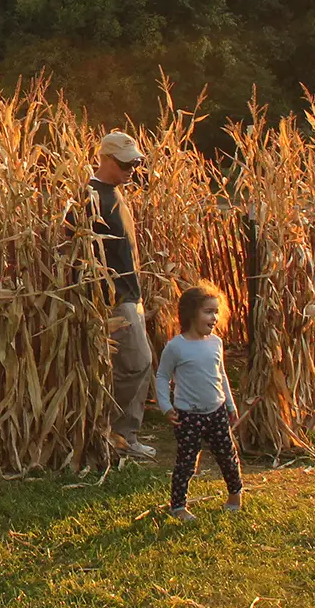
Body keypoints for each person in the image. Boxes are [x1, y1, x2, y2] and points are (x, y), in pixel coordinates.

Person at [86, 131, 155, 460]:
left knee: (135, 365)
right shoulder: (91, 196)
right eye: (126, 164)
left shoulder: (114, 193)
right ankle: (119, 435)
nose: (132, 170)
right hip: (113, 298)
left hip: (131, 294)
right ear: (106, 159)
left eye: (136, 164)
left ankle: (120, 435)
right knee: (138, 363)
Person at [157, 282, 243, 522]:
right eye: (208, 311)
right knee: (186, 461)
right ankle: (178, 507)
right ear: (190, 313)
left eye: (216, 312)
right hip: (188, 416)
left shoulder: (216, 343)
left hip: (216, 412)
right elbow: (162, 376)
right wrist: (166, 406)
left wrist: (230, 404)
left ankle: (235, 495)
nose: (214, 317)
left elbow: (221, 374)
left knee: (227, 455)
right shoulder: (176, 347)